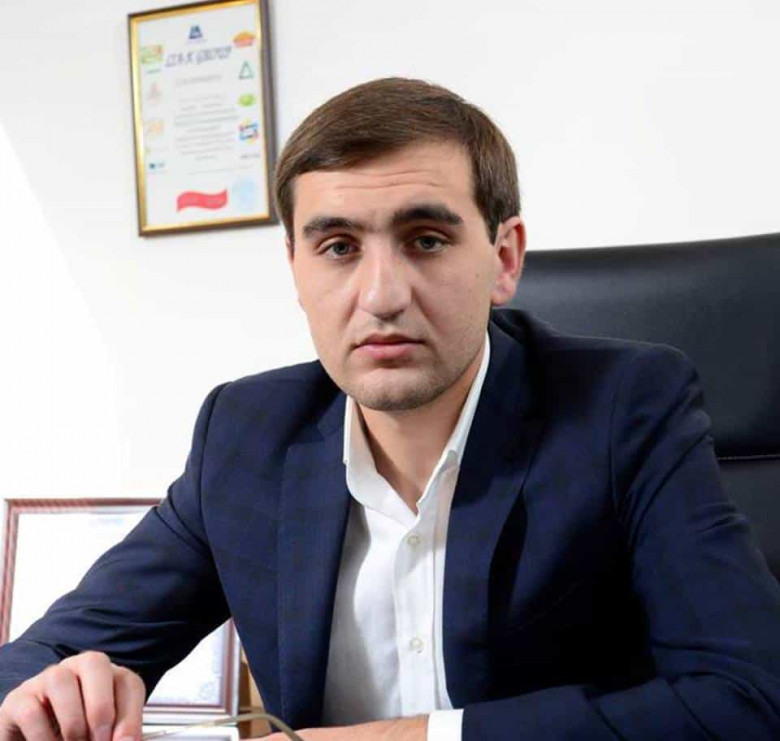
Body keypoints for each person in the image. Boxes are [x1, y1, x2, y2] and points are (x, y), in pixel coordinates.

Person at [1, 77, 780, 741]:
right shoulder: (245, 434)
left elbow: (748, 698)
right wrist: (54, 687)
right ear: (295, 266)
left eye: (427, 239)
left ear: (504, 258)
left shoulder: (625, 408)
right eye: (339, 247)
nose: (380, 295)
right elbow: (30, 662)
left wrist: (404, 737)